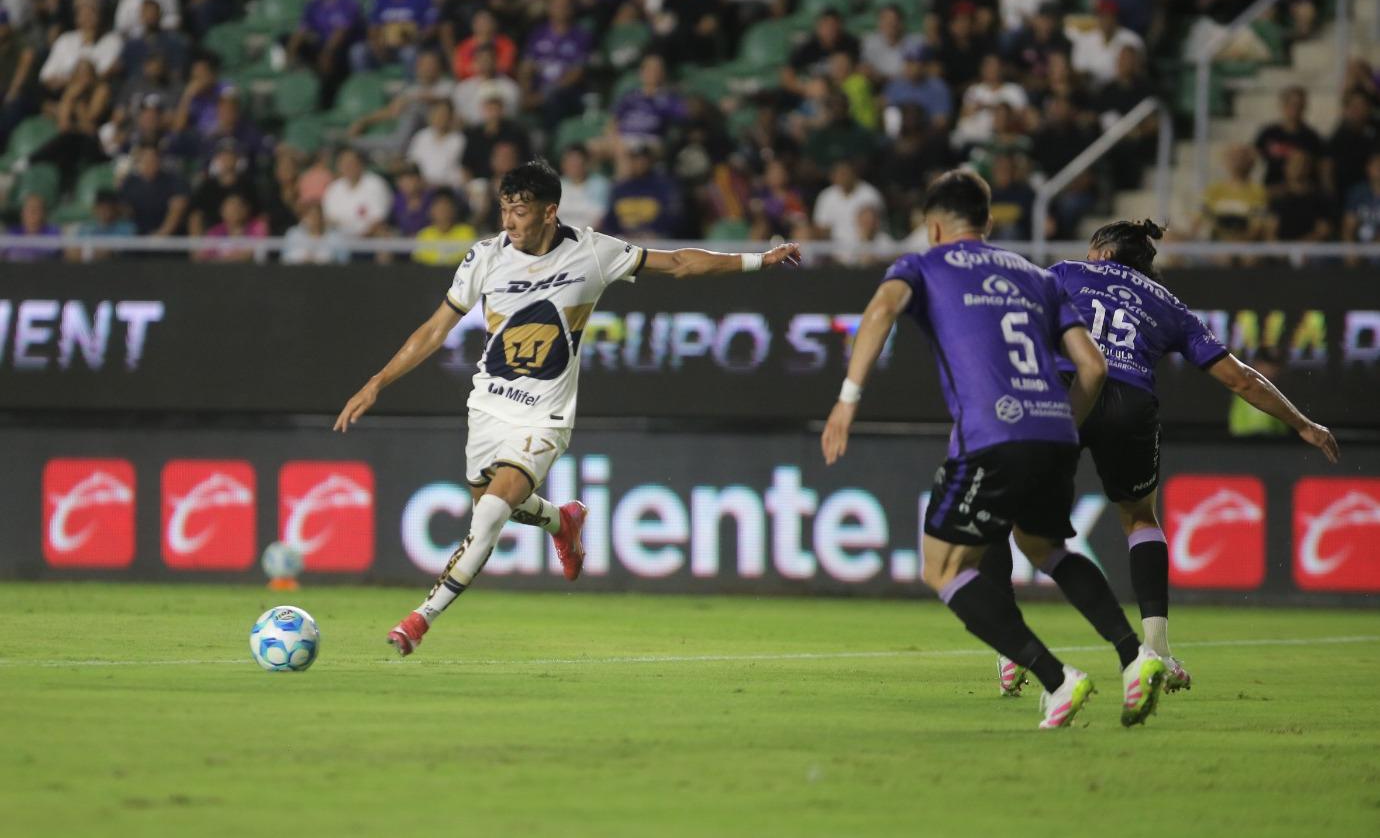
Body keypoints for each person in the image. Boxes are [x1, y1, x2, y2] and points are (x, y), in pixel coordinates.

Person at [332, 159, 801, 655]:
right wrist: (378, 382)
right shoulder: (485, 257)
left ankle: (418, 620)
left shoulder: (593, 252)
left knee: (490, 514)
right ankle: (564, 521)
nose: (509, 221)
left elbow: (679, 263)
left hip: (545, 416)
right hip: (488, 408)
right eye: (504, 209)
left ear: (550, 212)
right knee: (490, 503)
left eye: (520, 211)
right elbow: (434, 329)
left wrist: (759, 260)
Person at [821, 169, 1166, 730]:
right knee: (1045, 546)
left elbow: (881, 309)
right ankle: (1136, 656)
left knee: (943, 569)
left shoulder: (925, 265)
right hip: (1055, 427)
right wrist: (1060, 422)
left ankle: (1058, 680)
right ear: (987, 222)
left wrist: (847, 398)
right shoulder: (1038, 276)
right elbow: (1093, 366)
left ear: (933, 226)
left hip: (992, 433)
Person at [972, 218, 1338, 694]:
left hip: (1067, 391)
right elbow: (1241, 378)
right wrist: (1304, 425)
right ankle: (1158, 649)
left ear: (1102, 252)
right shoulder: (1169, 304)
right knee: (1139, 518)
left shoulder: (1065, 273)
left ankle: (1010, 650)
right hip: (1131, 405)